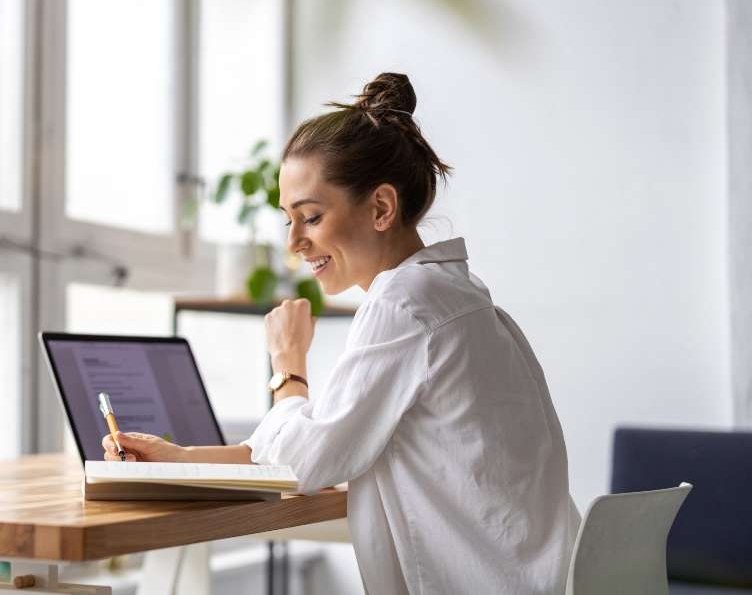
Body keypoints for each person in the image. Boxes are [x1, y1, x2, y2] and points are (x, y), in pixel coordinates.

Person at [102, 73, 580, 594]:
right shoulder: (453, 294)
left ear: (380, 208)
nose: (295, 243)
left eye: (310, 217)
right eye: (288, 220)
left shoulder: (404, 304)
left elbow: (304, 461)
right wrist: (183, 460)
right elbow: (322, 442)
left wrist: (288, 363)